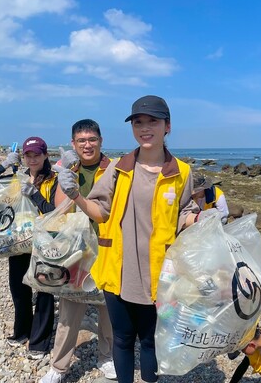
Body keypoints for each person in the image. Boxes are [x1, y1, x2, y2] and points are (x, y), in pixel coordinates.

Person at [55, 96, 205, 383]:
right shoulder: (119, 168)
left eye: (153, 122)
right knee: (122, 339)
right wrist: (75, 195)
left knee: (151, 341)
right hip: (118, 270)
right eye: (138, 122)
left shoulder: (182, 172)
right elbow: (100, 213)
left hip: (160, 273)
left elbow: (185, 213)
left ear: (167, 126)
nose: (145, 128)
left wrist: (199, 219)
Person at [41, 119, 115, 383]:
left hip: (108, 246)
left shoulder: (114, 169)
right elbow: (60, 207)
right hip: (76, 249)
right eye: (81, 140)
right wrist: (64, 178)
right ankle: (58, 367)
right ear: (73, 144)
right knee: (70, 307)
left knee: (108, 308)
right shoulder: (70, 168)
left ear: (101, 141)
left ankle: (107, 358)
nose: (87, 145)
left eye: (92, 139)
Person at [0, 137, 57, 360]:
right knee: (19, 291)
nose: (32, 159)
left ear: (45, 155)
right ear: (22, 156)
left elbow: (55, 211)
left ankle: (39, 342)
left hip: (44, 245)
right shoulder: (15, 178)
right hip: (17, 243)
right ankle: (22, 331)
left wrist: (35, 194)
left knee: (44, 292)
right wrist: (3, 164)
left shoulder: (53, 180)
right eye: (28, 155)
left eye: (37, 154)